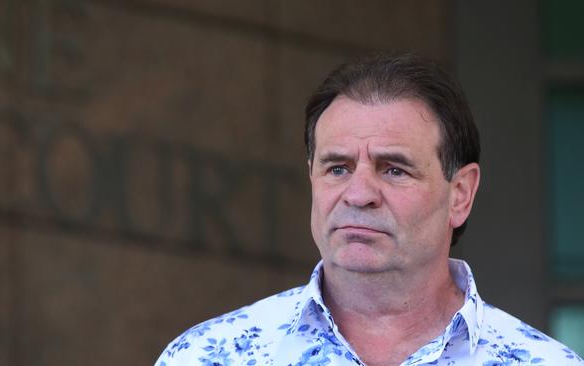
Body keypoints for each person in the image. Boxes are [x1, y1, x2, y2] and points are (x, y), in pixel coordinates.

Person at [154, 54, 584, 366]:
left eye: (394, 170)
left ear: (460, 194)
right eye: (337, 167)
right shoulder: (207, 356)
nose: (358, 194)